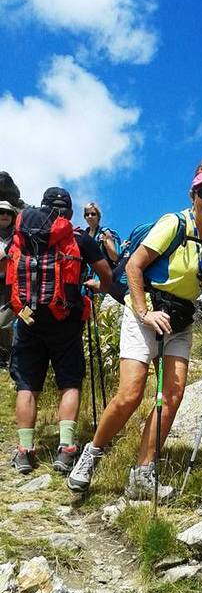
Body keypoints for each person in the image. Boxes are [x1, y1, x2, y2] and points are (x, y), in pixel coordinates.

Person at [68, 159, 202, 495]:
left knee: (173, 395)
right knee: (130, 394)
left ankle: (142, 473)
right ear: (193, 193)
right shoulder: (173, 223)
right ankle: (92, 454)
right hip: (145, 314)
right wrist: (144, 312)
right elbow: (135, 266)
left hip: (179, 322)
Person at [9, 187, 112, 474]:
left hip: (28, 319)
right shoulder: (79, 239)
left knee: (27, 385)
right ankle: (66, 450)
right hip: (65, 320)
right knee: (69, 382)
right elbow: (106, 274)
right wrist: (98, 287)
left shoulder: (21, 236)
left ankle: (25, 451)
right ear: (69, 211)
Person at [0, 200, 17, 364]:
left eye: (8, 213)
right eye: (1, 212)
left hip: (10, 285)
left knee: (4, 323)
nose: (5, 215)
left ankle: (5, 358)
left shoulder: (18, 237)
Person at [84, 202, 121, 269]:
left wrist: (106, 245)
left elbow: (115, 258)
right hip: (89, 273)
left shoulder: (105, 232)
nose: (90, 216)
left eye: (93, 214)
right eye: (87, 214)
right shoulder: (84, 235)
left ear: (98, 217)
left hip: (104, 272)